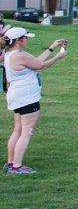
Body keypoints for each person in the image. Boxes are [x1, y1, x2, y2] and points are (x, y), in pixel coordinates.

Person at [3, 28, 67, 175]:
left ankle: (11, 162)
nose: (27, 40)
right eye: (25, 38)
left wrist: (52, 47)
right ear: (19, 40)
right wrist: (58, 56)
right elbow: (41, 65)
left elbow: (36, 61)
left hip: (17, 95)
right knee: (27, 131)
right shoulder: (20, 55)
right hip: (27, 96)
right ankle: (17, 167)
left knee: (18, 130)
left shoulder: (10, 53)